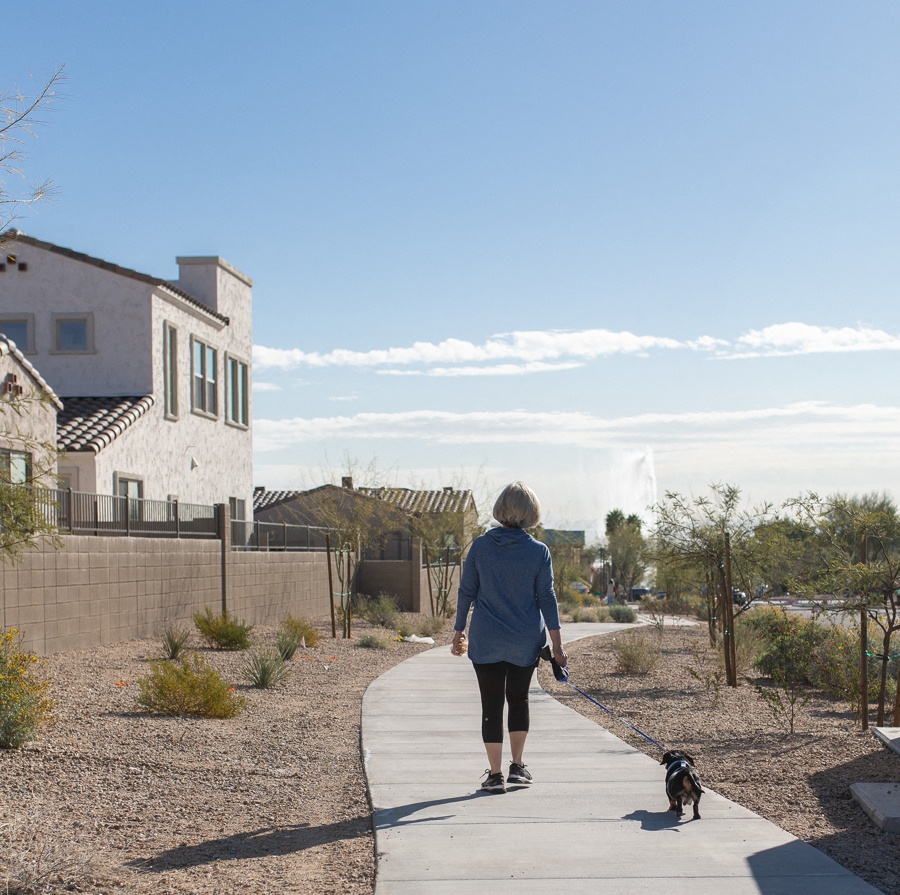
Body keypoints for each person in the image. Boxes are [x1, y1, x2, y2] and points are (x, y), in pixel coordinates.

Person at [451, 481, 567, 794]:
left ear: (501, 509)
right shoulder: (538, 552)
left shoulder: (479, 547)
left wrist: (459, 630)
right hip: (524, 641)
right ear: (531, 513)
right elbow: (547, 598)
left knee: (491, 705)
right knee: (518, 699)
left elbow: (466, 592)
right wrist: (556, 644)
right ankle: (518, 766)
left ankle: (495, 774)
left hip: (486, 639)